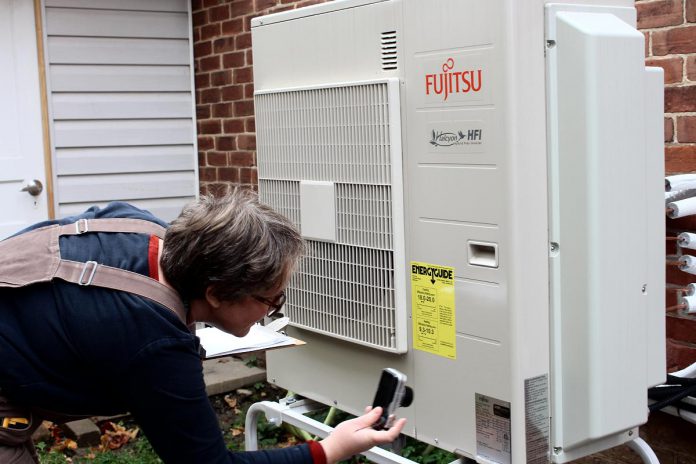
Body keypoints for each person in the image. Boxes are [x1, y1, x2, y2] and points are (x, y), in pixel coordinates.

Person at [0, 189, 405, 463]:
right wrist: (332, 447)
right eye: (268, 300)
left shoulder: (139, 226)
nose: (271, 311)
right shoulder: (154, 343)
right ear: (216, 292)